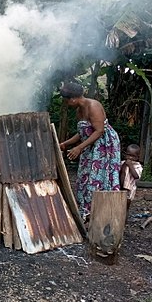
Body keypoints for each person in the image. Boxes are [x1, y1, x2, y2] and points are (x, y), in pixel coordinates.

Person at [58, 82, 121, 220]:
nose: (66, 103)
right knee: (85, 176)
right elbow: (82, 132)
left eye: (66, 100)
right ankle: (86, 212)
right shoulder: (79, 111)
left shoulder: (93, 106)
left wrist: (80, 147)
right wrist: (65, 144)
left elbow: (99, 131)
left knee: (98, 176)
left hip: (104, 146)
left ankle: (101, 213)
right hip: (90, 145)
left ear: (73, 99)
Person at [120, 144, 143, 212]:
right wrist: (124, 165)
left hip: (129, 190)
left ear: (137, 157)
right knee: (118, 205)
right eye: (128, 155)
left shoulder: (138, 166)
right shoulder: (122, 163)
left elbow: (136, 176)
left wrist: (130, 165)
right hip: (120, 188)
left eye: (133, 156)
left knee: (125, 208)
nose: (130, 157)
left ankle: (124, 221)